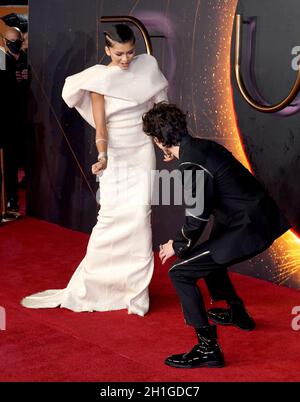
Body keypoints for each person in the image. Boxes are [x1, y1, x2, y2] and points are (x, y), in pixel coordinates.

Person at [21, 24, 168, 315]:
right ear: (107, 50)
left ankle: (135, 291)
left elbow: (159, 111)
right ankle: (97, 285)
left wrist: (165, 143)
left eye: (130, 53)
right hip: (114, 155)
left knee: (140, 217)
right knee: (109, 220)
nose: (125, 60)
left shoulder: (148, 68)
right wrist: (103, 156)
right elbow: (102, 128)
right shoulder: (99, 79)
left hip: (141, 152)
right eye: (118, 54)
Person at [142, 102, 291, 368]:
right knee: (206, 256)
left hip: (247, 227)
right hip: (257, 218)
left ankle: (207, 348)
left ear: (157, 139)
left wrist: (176, 245)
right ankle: (237, 313)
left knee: (180, 272)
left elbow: (198, 216)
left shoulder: (190, 163)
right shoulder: (201, 147)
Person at [0, 26, 24, 213]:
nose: (14, 45)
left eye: (17, 41)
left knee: (12, 162)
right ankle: (8, 201)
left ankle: (12, 199)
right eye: (10, 41)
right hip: (5, 120)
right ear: (4, 40)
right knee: (6, 163)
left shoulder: (25, 58)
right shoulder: (2, 59)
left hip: (19, 119)